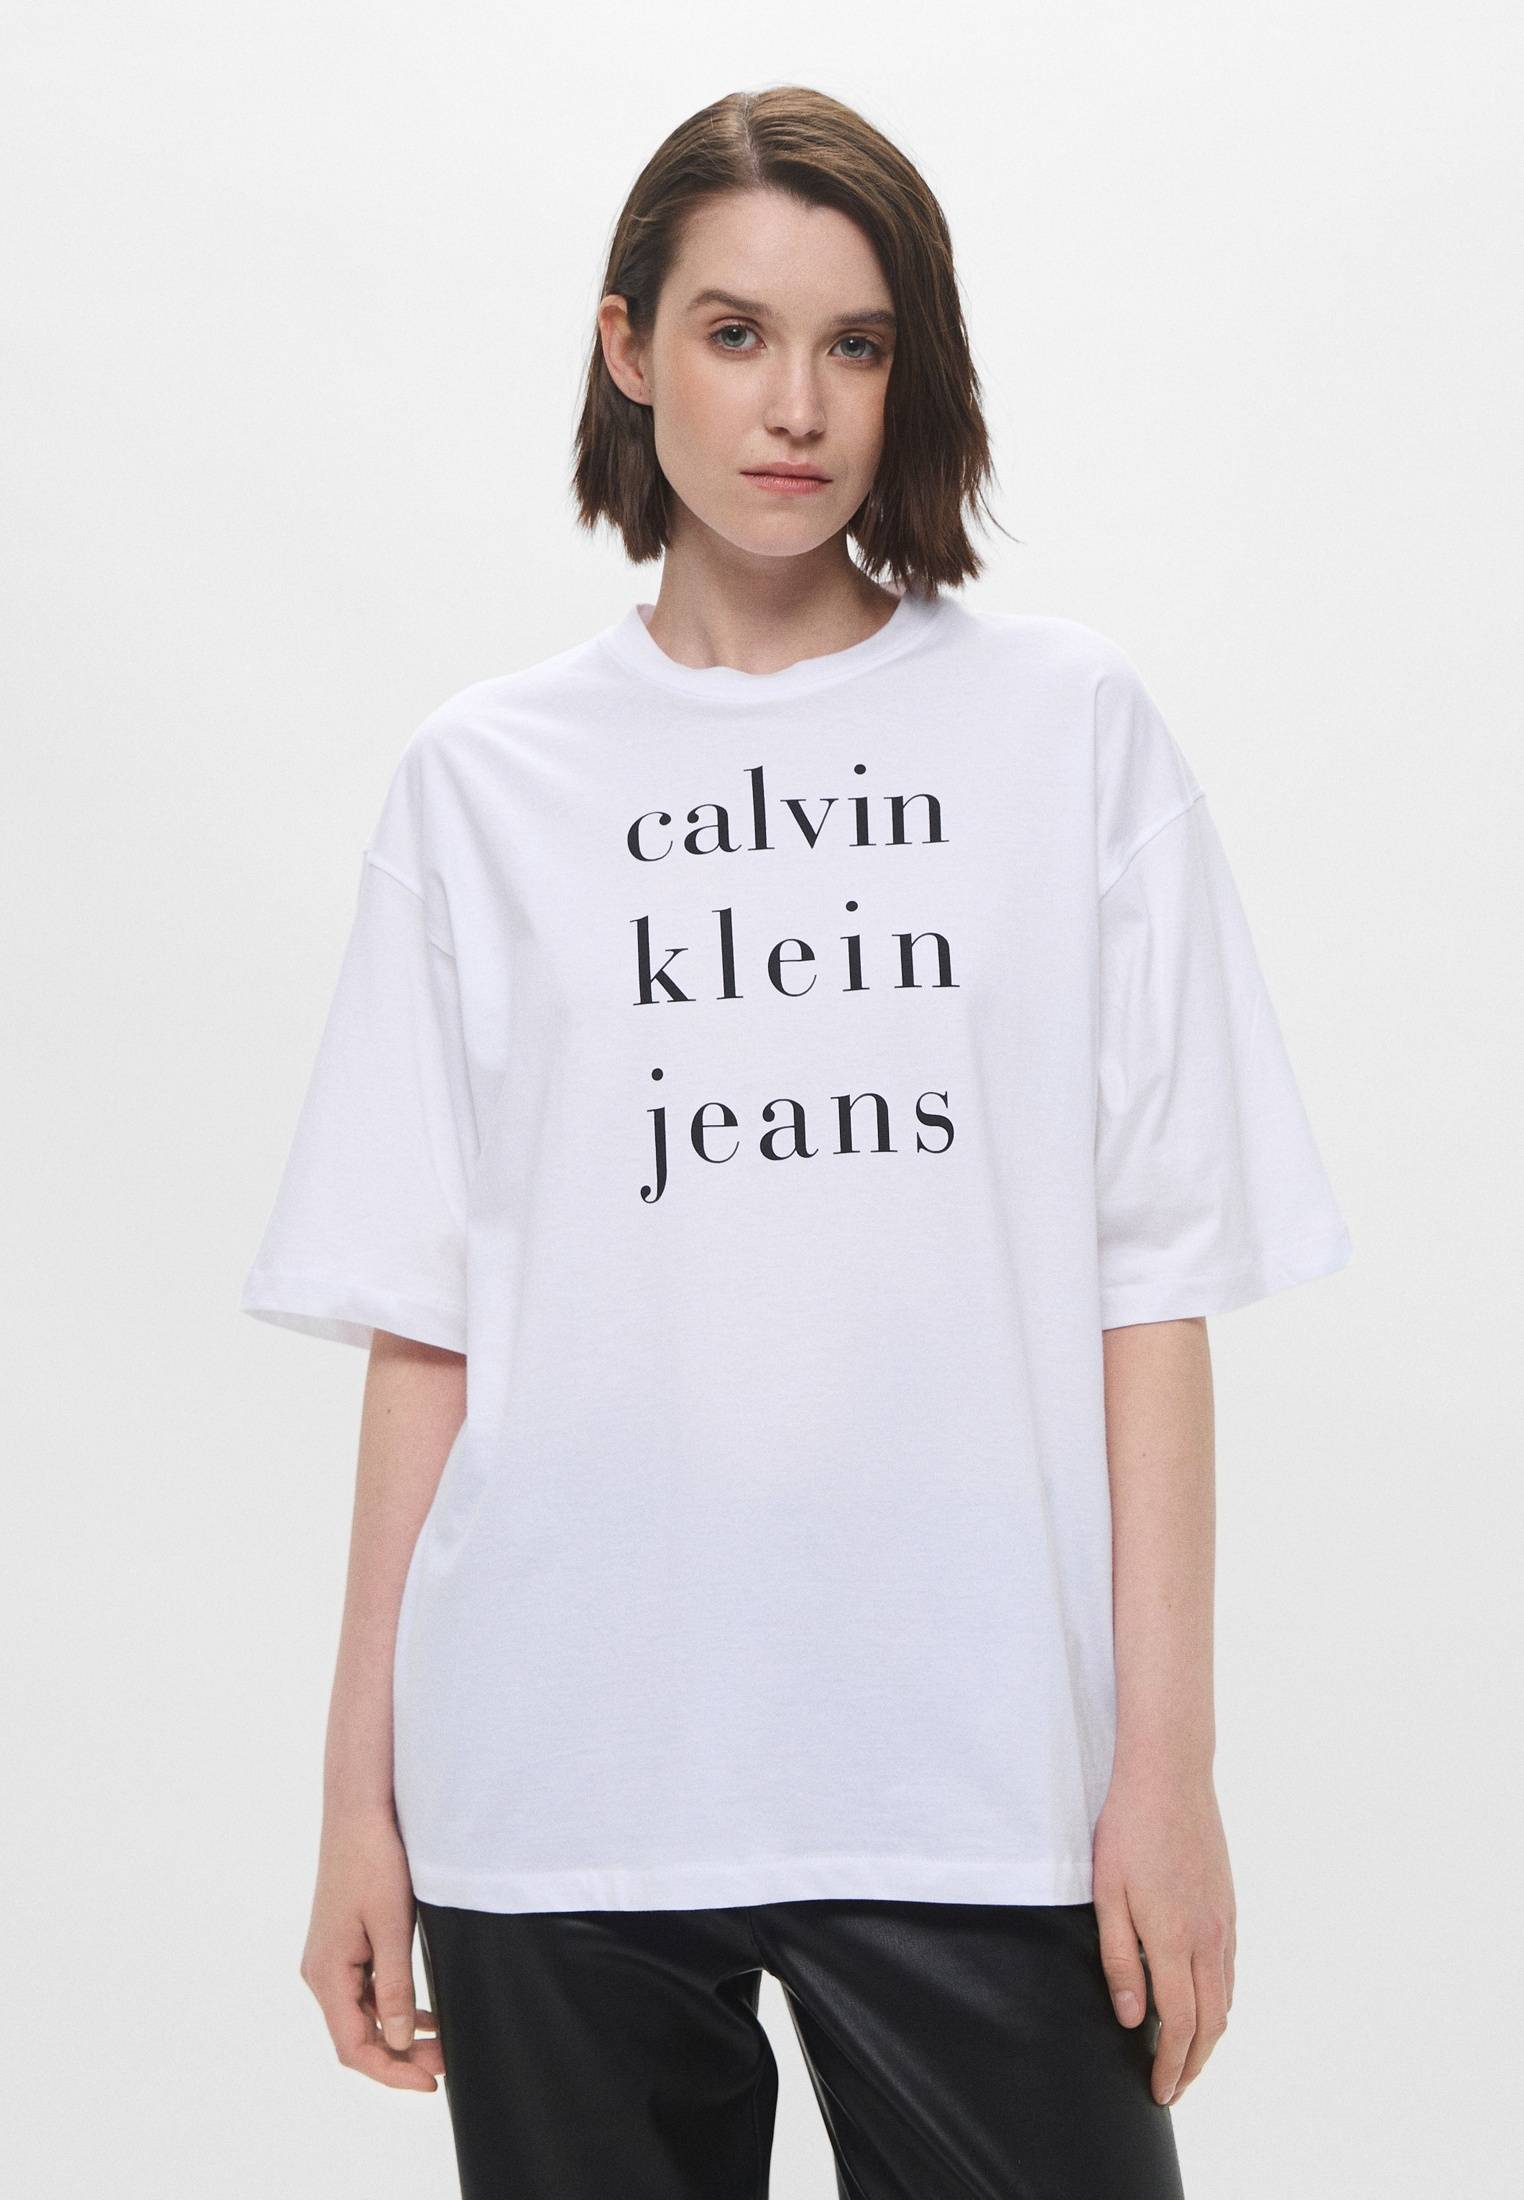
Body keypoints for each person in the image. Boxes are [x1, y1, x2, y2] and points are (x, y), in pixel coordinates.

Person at [239, 84, 1354, 2200]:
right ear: (626, 344)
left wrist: (1168, 1771)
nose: (797, 405)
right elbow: (428, 1324)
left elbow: (1150, 1283)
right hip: (557, 1784)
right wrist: (357, 1803)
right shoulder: (484, 782)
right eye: (736, 332)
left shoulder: (1064, 730)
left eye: (856, 343)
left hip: (979, 1783)